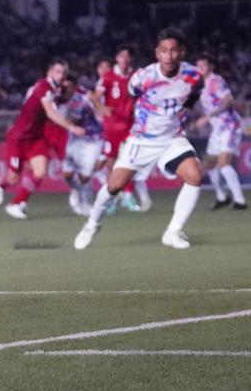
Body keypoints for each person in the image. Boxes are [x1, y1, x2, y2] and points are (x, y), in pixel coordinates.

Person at [74, 28, 204, 250]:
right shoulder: (144, 77)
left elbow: (194, 94)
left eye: (173, 51)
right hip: (142, 140)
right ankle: (92, 224)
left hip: (172, 139)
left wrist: (182, 114)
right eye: (164, 51)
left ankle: (173, 232)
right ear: (157, 53)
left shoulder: (193, 76)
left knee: (195, 175)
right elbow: (133, 95)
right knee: (114, 185)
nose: (169, 56)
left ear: (182, 52)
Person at [0, 60, 85, 219]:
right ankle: (2, 185)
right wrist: (72, 127)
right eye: (57, 72)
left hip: (36, 138)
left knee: (41, 172)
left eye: (63, 73)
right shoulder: (43, 87)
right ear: (49, 72)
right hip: (19, 138)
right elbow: (50, 113)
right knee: (13, 177)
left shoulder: (57, 89)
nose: (60, 75)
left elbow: (75, 92)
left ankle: (17, 203)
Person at [92, 47, 151, 212]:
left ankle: (128, 196)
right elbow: (95, 96)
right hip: (112, 126)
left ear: (130, 59)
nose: (125, 59)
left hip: (131, 126)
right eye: (121, 56)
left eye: (127, 56)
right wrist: (101, 107)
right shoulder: (108, 76)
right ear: (117, 58)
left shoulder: (136, 76)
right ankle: (112, 197)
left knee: (130, 159)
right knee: (111, 163)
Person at [194, 53, 246, 210]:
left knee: (224, 163)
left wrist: (207, 116)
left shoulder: (216, 81)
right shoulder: (201, 84)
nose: (200, 68)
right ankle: (221, 197)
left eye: (203, 65)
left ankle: (240, 201)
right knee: (209, 164)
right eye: (198, 65)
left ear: (211, 66)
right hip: (218, 129)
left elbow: (228, 100)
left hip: (230, 126)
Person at [60, 74, 105, 216]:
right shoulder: (60, 96)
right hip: (74, 138)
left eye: (68, 86)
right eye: (64, 86)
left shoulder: (83, 98)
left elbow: (75, 121)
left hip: (92, 138)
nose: (65, 89)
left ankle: (87, 204)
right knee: (67, 174)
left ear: (74, 86)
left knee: (85, 175)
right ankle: (75, 190)